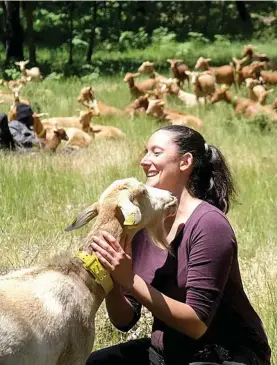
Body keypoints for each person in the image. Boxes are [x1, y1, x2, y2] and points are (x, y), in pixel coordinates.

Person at [86, 125, 271, 365]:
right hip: (170, 352)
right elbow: (124, 320)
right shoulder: (145, 226)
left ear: (185, 162)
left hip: (225, 353)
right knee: (97, 363)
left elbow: (197, 324)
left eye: (156, 152)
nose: (144, 161)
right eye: (145, 152)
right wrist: (112, 279)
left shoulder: (209, 225)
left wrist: (130, 278)